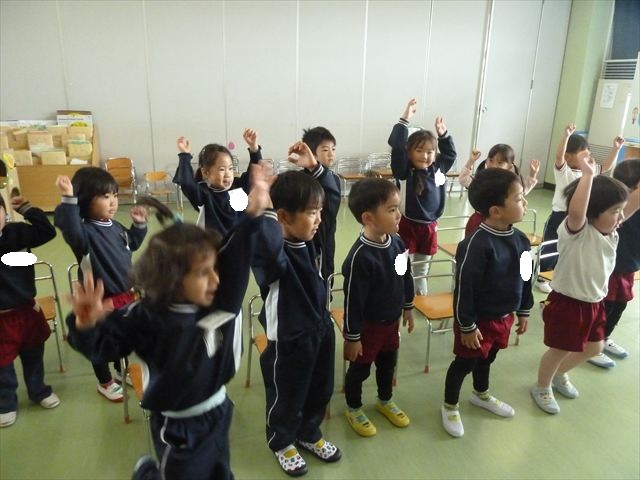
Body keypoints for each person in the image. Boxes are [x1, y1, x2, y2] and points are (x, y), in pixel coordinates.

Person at [66, 164, 271, 480]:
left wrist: (253, 215)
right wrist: (85, 324)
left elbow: (236, 256)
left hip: (218, 412)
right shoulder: (145, 317)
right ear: (172, 279)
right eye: (203, 273)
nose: (217, 279)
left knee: (220, 471)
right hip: (179, 428)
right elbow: (103, 348)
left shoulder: (217, 305)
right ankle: (147, 472)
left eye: (214, 269)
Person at [252, 142, 341, 476]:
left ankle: (308, 431)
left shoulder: (312, 240)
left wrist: (315, 168)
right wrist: (263, 205)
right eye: (310, 213)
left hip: (320, 328)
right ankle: (282, 440)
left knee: (320, 388)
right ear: (284, 217)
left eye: (318, 212)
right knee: (287, 393)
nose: (318, 219)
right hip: (289, 337)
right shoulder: (274, 252)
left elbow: (332, 201)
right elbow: (262, 240)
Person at [531, 154, 639, 414]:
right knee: (559, 350)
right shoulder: (577, 232)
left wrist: (621, 209)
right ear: (593, 213)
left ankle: (559, 374)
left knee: (594, 347)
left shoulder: (610, 231)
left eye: (620, 211)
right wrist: (588, 175)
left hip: (594, 302)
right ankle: (542, 386)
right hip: (568, 303)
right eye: (614, 211)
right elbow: (577, 211)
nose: (620, 217)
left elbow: (631, 206)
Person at [441, 168, 532, 438]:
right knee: (465, 363)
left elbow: (526, 276)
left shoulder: (521, 240)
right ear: (496, 211)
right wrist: (467, 326)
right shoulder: (475, 245)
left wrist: (524, 309)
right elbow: (464, 290)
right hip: (476, 322)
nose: (525, 202)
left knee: (488, 358)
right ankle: (449, 405)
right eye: (519, 198)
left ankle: (480, 394)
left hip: (504, 317)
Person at [54, 167, 148, 402]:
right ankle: (105, 381)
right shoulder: (83, 233)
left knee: (121, 335)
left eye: (114, 195)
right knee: (100, 340)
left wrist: (139, 226)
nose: (113, 202)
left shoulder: (114, 226)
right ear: (85, 199)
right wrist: (68, 198)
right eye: (105, 196)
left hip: (124, 296)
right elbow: (69, 226)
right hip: (99, 302)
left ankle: (121, 369)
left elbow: (131, 244)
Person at [341, 178, 414, 437]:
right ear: (368, 218)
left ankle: (385, 399)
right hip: (368, 328)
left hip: (391, 323)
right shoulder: (360, 258)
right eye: (392, 209)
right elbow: (353, 302)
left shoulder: (397, 243)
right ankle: (353, 407)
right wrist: (352, 337)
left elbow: (404, 275)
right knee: (360, 370)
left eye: (398, 208)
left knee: (387, 365)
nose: (399, 215)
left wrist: (408, 306)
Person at [536, 124, 624, 294]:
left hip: (581, 218)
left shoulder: (589, 171)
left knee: (570, 248)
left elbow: (606, 166)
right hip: (559, 216)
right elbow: (559, 156)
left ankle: (558, 273)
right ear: (568, 157)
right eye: (583, 155)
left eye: (588, 154)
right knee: (550, 246)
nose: (588, 158)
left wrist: (616, 148)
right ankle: (541, 276)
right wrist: (566, 136)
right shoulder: (564, 172)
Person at [0, 195, 59, 428]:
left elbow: (47, 232)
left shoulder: (17, 233)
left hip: (26, 310)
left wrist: (27, 209)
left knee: (33, 354)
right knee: (2, 364)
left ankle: (39, 391)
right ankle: (6, 403)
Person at [389, 98, 457, 295]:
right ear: (409, 152)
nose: (425, 156)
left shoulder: (438, 169)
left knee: (422, 264)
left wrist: (443, 135)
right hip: (407, 225)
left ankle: (420, 291)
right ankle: (401, 292)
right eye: (419, 151)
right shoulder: (404, 172)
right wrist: (404, 120)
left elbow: (450, 155)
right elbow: (397, 147)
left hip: (429, 227)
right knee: (404, 262)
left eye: (430, 152)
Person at [588, 159, 640, 368]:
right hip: (611, 269)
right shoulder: (618, 209)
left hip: (628, 267)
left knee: (619, 305)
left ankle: (604, 338)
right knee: (605, 308)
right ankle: (592, 344)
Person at [173, 129, 262, 236]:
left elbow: (255, 173)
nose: (228, 174)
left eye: (230, 168)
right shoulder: (203, 194)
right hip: (213, 244)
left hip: (238, 244)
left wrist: (254, 148)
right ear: (206, 172)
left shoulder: (238, 188)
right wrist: (184, 155)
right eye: (221, 169)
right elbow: (186, 182)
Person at [459, 144, 539, 236]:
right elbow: (463, 179)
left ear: (509, 166)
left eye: (500, 163)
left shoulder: (509, 184)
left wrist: (533, 175)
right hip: (480, 222)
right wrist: (471, 161)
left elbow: (522, 191)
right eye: (491, 160)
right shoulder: (483, 180)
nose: (494, 165)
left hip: (500, 224)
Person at [301, 127, 341, 282]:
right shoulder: (302, 180)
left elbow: (332, 210)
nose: (331, 154)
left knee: (327, 271)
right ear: (312, 153)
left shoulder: (334, 178)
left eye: (333, 149)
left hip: (328, 236)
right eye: (325, 150)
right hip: (310, 237)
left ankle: (326, 293)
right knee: (311, 274)